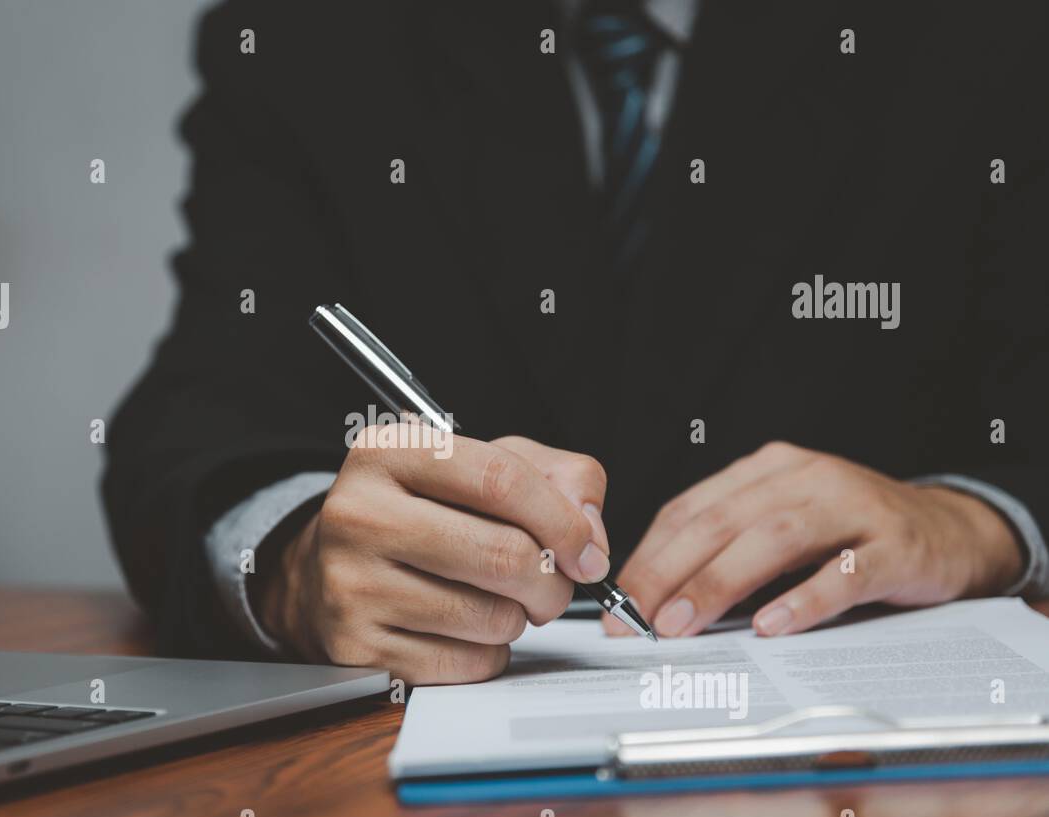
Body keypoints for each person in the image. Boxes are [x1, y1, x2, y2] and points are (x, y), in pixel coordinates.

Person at [102, 0, 1049, 683]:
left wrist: (978, 522)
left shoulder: (983, 33)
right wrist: (295, 561)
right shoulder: (309, 40)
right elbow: (194, 419)